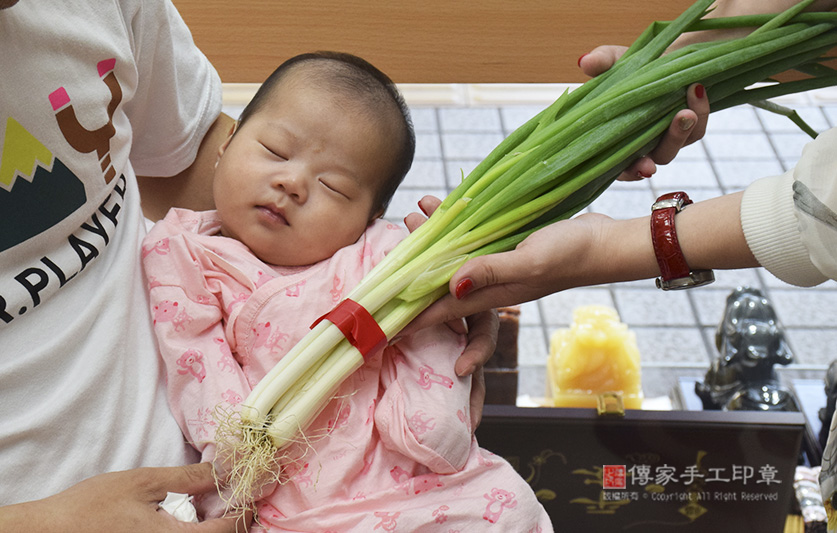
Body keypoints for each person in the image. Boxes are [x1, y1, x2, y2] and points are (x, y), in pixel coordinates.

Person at [142, 51, 553, 531]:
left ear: (370, 217)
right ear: (226, 143)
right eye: (275, 150)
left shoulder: (383, 256)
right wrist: (239, 452)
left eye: (334, 187)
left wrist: (434, 423)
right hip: (278, 491)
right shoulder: (182, 251)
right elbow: (194, 360)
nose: (292, 183)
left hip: (402, 480)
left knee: (509, 505)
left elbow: (430, 343)